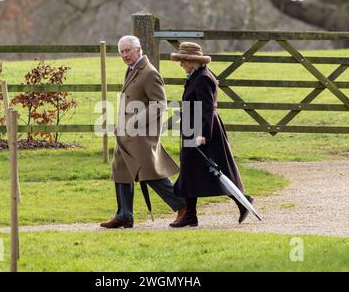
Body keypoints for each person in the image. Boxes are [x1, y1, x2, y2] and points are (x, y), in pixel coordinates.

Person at [100, 35, 186, 229]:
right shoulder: (132, 69)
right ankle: (124, 215)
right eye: (121, 51)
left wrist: (133, 123)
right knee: (120, 170)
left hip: (141, 135)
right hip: (126, 134)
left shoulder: (148, 72)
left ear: (138, 49)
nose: (124, 55)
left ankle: (184, 205)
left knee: (151, 174)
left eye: (128, 50)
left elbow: (160, 105)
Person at [169, 42, 254, 227]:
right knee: (189, 171)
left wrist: (203, 135)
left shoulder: (202, 78)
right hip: (194, 128)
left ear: (193, 61)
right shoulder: (196, 76)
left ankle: (242, 201)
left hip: (202, 130)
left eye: (183, 61)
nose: (181, 64)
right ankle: (190, 215)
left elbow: (207, 108)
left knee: (216, 170)